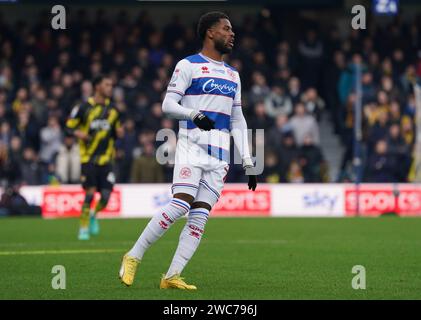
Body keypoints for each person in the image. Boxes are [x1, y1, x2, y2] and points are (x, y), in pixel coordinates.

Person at [119, 11, 257, 290]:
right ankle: (133, 255)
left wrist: (248, 160)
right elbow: (168, 105)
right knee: (181, 203)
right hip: (192, 147)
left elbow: (237, 120)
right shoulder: (188, 65)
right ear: (210, 33)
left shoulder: (233, 74)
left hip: (220, 157)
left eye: (232, 30)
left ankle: (171, 276)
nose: (232, 34)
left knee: (200, 217)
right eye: (226, 29)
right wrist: (193, 114)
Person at [66, 74, 122, 240]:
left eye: (111, 85)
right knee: (89, 193)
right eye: (107, 84)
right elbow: (68, 128)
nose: (110, 88)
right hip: (88, 158)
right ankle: (83, 227)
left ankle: (92, 214)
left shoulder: (113, 111)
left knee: (105, 197)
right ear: (97, 87)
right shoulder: (83, 108)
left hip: (106, 160)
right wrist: (79, 133)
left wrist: (119, 133)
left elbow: (115, 132)